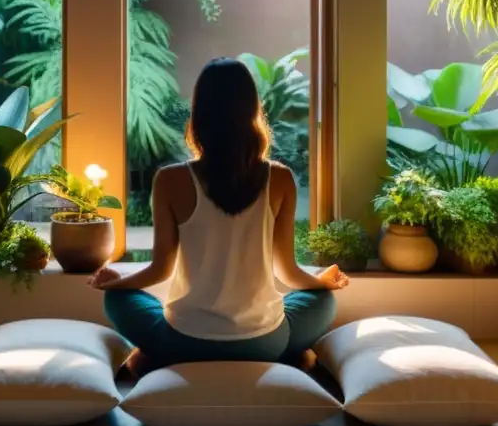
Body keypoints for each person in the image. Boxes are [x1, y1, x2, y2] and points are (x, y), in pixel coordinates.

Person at [89, 57, 349, 377]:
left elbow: (160, 270)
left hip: (183, 341)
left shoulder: (170, 180)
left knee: (116, 300)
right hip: (262, 342)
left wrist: (118, 283)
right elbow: (288, 272)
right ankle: (287, 357)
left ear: (199, 114)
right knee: (323, 302)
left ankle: (155, 356)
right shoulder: (280, 179)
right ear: (253, 112)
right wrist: (322, 283)